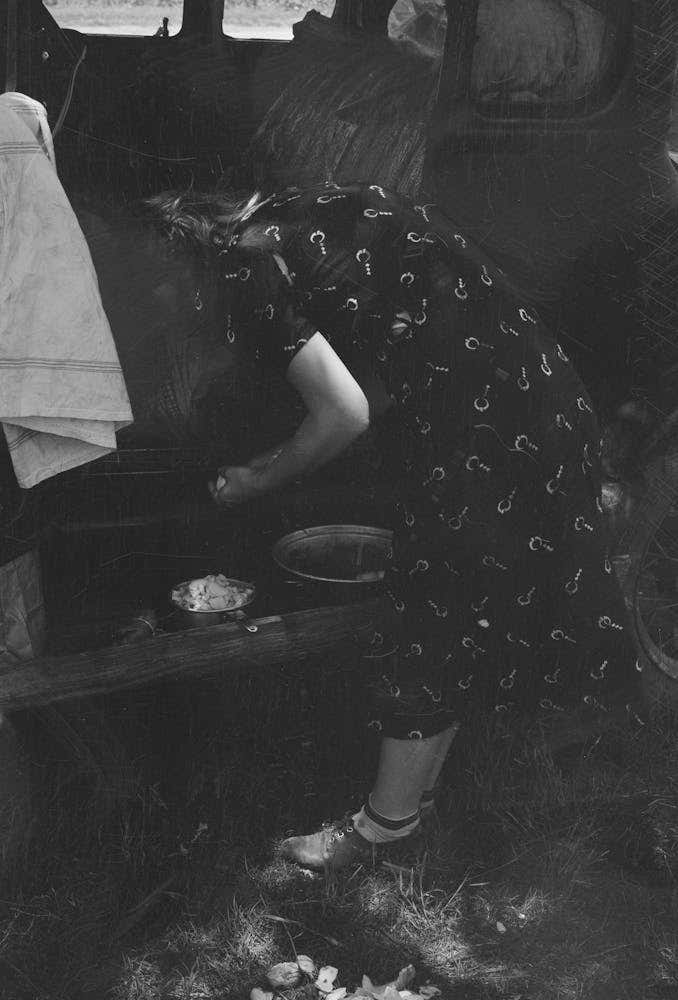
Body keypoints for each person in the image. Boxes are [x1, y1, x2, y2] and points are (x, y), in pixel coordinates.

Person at [144, 181, 641, 871]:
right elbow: (388, 354)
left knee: (429, 616)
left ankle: (383, 831)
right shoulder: (307, 211)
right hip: (541, 399)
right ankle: (415, 802)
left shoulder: (239, 272)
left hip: (484, 441)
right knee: (463, 610)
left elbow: (344, 412)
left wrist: (258, 479)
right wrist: (303, 442)